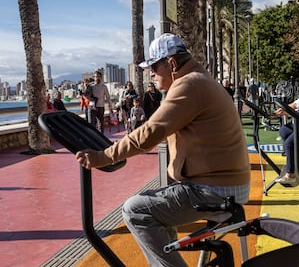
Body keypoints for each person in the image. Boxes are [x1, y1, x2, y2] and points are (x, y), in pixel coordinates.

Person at [75, 33, 250, 267]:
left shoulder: (189, 84)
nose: (151, 73)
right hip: (226, 185)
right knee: (156, 207)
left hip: (214, 189)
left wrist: (103, 157)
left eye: (154, 67)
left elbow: (150, 133)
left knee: (135, 210)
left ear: (172, 63)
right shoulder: (201, 80)